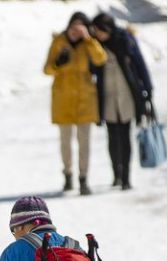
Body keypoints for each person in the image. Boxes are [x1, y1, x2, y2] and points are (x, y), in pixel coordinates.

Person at [44, 13, 108, 195]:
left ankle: (83, 178)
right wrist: (57, 63)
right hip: (63, 99)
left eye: (80, 28)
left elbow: (100, 59)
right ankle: (67, 174)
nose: (75, 32)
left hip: (85, 100)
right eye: (73, 27)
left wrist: (88, 39)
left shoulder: (88, 44)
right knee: (65, 142)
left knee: (84, 142)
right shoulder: (58, 41)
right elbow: (46, 70)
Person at [91, 13, 153, 191]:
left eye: (99, 30)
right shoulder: (96, 46)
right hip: (108, 98)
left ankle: (126, 177)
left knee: (125, 137)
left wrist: (148, 90)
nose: (98, 34)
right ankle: (116, 175)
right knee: (112, 138)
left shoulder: (125, 40)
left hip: (127, 95)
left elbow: (140, 65)